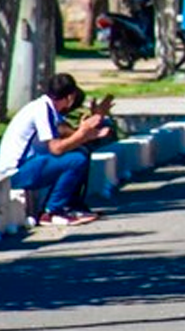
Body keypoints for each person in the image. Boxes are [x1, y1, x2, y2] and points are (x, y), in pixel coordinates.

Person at [0, 74, 106, 226]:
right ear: (70, 97)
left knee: (80, 153)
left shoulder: (47, 108)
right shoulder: (42, 110)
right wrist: (82, 134)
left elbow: (68, 134)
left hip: (25, 167)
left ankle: (72, 205)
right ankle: (52, 212)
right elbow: (56, 148)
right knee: (76, 160)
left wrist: (89, 127)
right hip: (16, 173)